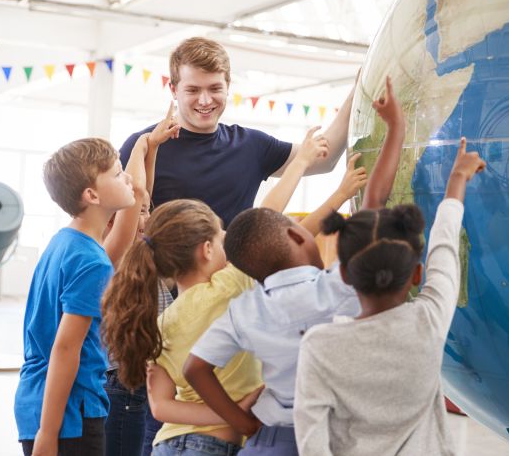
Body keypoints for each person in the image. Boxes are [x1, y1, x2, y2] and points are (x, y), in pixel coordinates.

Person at [181, 77, 406, 455]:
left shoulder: (244, 308)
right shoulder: (339, 284)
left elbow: (194, 368)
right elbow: (376, 202)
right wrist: (396, 127)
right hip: (332, 438)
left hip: (268, 439)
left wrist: (243, 423)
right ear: (301, 237)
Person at [101, 128, 338, 456]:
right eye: (225, 235)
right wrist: (302, 164)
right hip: (214, 445)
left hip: (167, 444)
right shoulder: (231, 287)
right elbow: (269, 225)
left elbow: (161, 407)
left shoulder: (161, 322)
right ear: (207, 250)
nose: (235, 240)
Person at [293, 138, 485, 456]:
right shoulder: (427, 321)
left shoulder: (319, 345)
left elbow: (312, 442)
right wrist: (457, 180)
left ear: (344, 275)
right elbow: (444, 248)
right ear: (416, 276)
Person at [118, 36, 358, 227]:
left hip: (234, 284)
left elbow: (324, 159)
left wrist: (358, 91)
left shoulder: (251, 145)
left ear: (228, 86)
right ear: (173, 89)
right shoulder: (144, 146)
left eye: (214, 88)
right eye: (193, 90)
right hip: (160, 286)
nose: (205, 100)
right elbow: (115, 223)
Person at [14, 137, 136, 456]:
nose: (128, 179)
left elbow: (129, 219)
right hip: (69, 416)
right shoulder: (91, 262)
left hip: (36, 399)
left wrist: (147, 148)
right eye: (117, 173)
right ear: (91, 194)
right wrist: (48, 432)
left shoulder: (64, 242)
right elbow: (67, 348)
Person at [102, 105, 181, 456]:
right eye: (140, 213)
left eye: (147, 212)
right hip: (124, 385)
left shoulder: (147, 252)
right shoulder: (117, 256)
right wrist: (140, 146)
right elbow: (136, 194)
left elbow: (144, 194)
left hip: (145, 380)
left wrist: (154, 149)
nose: (146, 218)